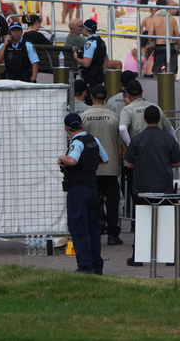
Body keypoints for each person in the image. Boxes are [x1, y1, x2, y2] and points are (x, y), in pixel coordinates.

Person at [122, 104, 180, 265]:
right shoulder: (168, 138)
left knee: (141, 221)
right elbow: (177, 162)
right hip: (164, 186)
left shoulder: (137, 138)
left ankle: (138, 256)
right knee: (166, 221)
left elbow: (129, 164)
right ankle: (170, 256)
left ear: (144, 120)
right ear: (160, 119)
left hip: (141, 186)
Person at [58, 112, 109, 274]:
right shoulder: (93, 140)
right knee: (93, 228)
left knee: (79, 227)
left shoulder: (76, 143)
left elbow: (72, 160)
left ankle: (85, 266)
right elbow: (105, 159)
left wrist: (62, 157)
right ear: (82, 125)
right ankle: (96, 266)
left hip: (78, 190)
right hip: (93, 189)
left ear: (66, 128)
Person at [81, 84, 125, 247]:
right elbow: (120, 145)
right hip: (111, 165)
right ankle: (113, 234)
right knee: (113, 201)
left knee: (93, 200)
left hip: (91, 167)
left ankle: (96, 229)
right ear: (106, 98)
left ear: (91, 97)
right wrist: (119, 164)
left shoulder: (84, 117)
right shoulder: (114, 117)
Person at [74, 18, 107, 87]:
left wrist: (76, 58)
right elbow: (106, 59)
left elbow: (86, 63)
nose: (82, 30)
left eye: (82, 28)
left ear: (86, 29)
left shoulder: (90, 43)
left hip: (91, 77)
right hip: (100, 76)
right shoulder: (100, 41)